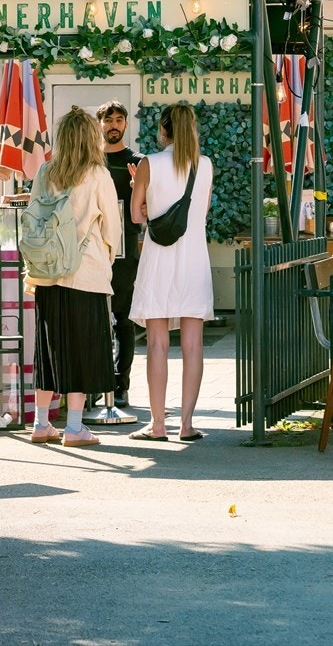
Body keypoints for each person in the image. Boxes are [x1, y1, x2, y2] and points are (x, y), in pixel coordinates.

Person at [24, 107, 122, 448]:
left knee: (49, 350)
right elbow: (112, 226)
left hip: (48, 274)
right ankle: (75, 427)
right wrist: (106, 261)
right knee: (81, 350)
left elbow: (34, 218)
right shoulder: (97, 174)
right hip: (85, 274)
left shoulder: (46, 172)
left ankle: (40, 423)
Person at [129, 102, 214, 442]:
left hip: (159, 259)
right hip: (194, 259)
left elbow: (137, 215)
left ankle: (158, 424)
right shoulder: (205, 165)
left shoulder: (150, 163)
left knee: (157, 345)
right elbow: (200, 212)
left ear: (163, 129)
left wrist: (149, 201)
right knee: (193, 345)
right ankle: (187, 424)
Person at [98, 100, 143, 408]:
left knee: (122, 320)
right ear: (100, 124)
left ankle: (120, 384)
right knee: (93, 319)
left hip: (126, 250)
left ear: (126, 124)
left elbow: (147, 206)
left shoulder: (138, 161)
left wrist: (137, 186)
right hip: (93, 249)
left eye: (119, 119)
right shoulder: (91, 161)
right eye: (108, 120)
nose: (114, 125)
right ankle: (91, 384)